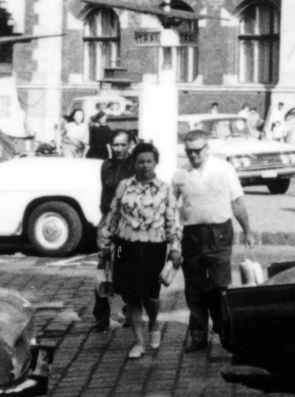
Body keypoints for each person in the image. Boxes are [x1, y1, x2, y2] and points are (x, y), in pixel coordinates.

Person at [99, 141, 182, 360]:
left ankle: (153, 321)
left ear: (155, 163)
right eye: (140, 162)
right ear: (134, 163)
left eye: (149, 161)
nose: (145, 166)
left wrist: (174, 247)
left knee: (150, 296)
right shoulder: (124, 185)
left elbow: (172, 221)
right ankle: (139, 342)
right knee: (131, 296)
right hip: (124, 247)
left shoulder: (165, 188)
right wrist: (106, 243)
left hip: (153, 246)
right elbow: (113, 216)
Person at [174, 128, 253, 353]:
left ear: (207, 149)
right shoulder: (180, 174)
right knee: (195, 289)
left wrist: (248, 230)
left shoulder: (224, 169)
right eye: (189, 151)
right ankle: (198, 336)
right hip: (191, 235)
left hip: (219, 232)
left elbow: (237, 202)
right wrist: (172, 241)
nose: (193, 155)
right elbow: (171, 209)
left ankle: (224, 328)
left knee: (218, 285)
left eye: (198, 150)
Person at [91, 128, 135, 331]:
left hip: (127, 223)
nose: (118, 149)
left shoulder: (135, 166)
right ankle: (101, 317)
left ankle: (130, 312)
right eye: (115, 145)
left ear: (129, 145)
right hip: (107, 222)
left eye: (122, 144)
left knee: (126, 268)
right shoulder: (105, 166)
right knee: (102, 269)